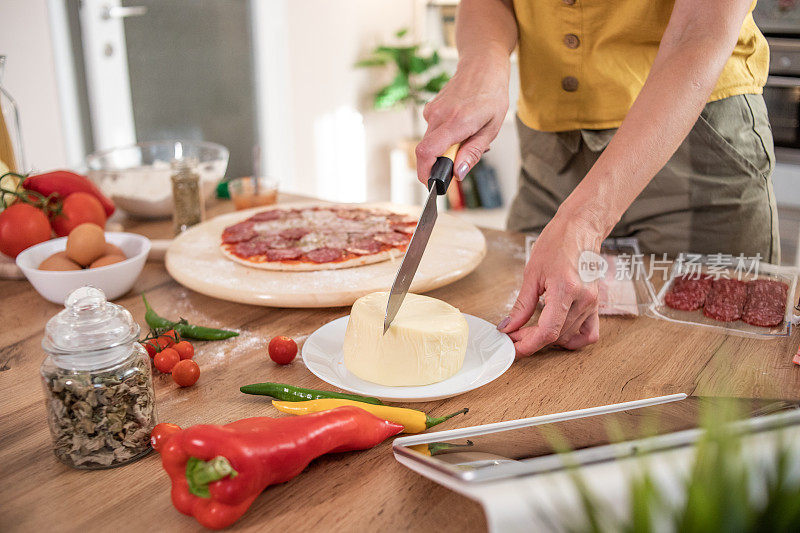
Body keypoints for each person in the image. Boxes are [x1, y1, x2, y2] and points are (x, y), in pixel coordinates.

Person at [414, 0, 777, 358]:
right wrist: (483, 63)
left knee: (716, 367)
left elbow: (697, 32)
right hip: (551, 154)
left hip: (697, 144)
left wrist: (584, 219)